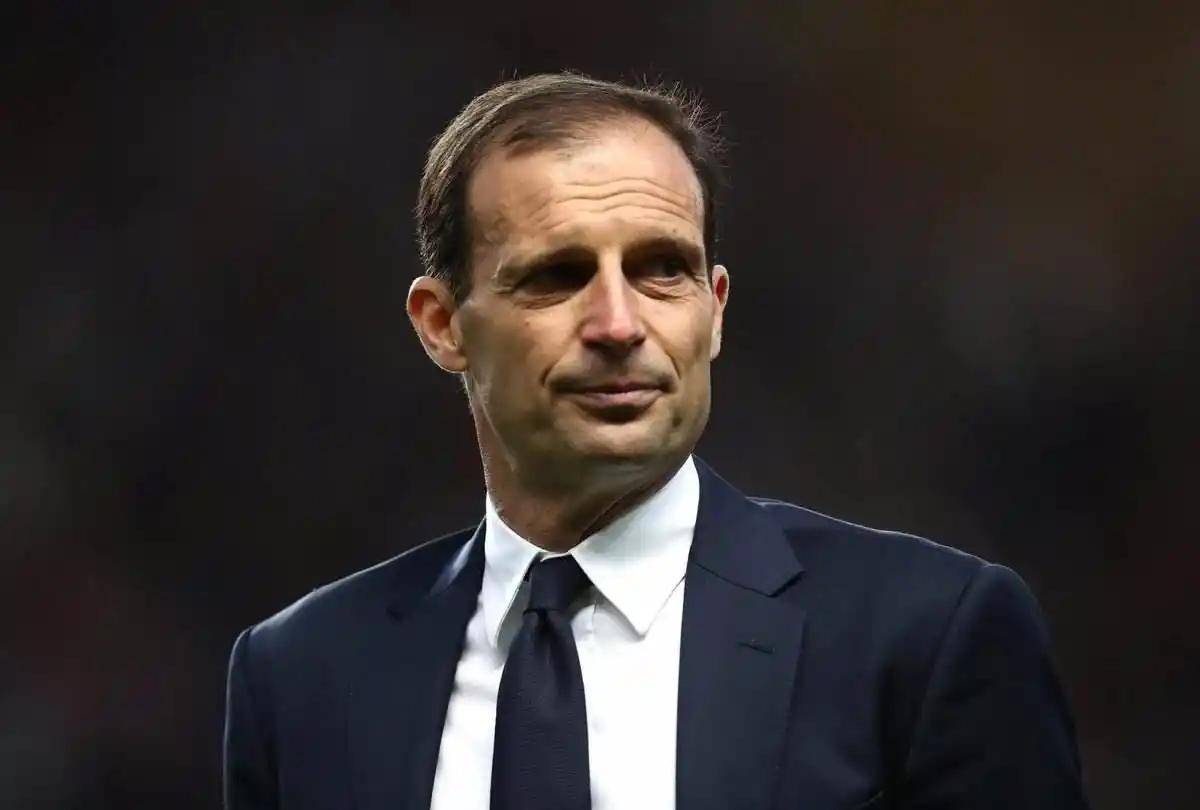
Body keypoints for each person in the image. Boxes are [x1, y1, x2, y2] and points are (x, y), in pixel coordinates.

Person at [223, 73, 1090, 810]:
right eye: (558, 275)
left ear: (715, 308)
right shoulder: (301, 674)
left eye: (663, 269)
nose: (618, 323)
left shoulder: (927, 637)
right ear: (442, 324)